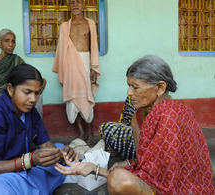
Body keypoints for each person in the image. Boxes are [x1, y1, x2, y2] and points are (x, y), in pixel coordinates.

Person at [55, 55, 215, 194]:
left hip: (180, 189)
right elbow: (145, 161)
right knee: (118, 173)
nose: (129, 93)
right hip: (156, 180)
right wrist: (107, 166)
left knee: (118, 179)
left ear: (160, 88)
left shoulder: (170, 114)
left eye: (135, 87)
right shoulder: (138, 116)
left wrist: (101, 171)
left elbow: (162, 177)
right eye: (129, 86)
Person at [0, 64, 76, 195]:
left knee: (59, 147)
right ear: (10, 88)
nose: (33, 99)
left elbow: (46, 144)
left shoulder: (30, 112)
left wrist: (61, 155)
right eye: (27, 92)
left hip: (17, 168)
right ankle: (32, 185)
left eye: (37, 93)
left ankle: (28, 185)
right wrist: (30, 160)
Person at [53, 0, 100, 145]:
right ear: (68, 6)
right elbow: (61, 50)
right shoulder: (65, 26)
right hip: (70, 65)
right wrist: (63, 71)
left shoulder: (90, 23)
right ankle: (81, 132)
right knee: (74, 98)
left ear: (83, 5)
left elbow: (94, 46)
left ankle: (91, 133)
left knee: (87, 97)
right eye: (71, 2)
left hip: (86, 62)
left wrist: (93, 67)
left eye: (78, 2)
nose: (75, 5)